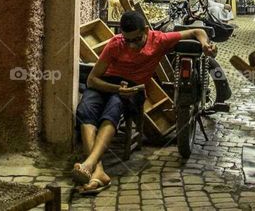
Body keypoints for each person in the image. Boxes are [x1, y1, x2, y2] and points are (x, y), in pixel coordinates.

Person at [73, 11, 214, 194]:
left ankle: (90, 165)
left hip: (133, 89)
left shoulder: (159, 40)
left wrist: (205, 45)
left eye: (136, 39)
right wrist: (115, 88)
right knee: (86, 110)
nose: (131, 45)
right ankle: (97, 170)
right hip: (106, 84)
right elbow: (92, 80)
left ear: (146, 31)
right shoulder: (116, 44)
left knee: (113, 108)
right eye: (127, 40)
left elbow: (196, 31)